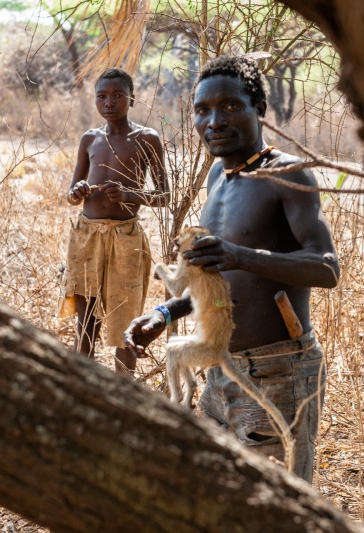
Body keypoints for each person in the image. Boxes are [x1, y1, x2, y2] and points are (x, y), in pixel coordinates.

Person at [124, 56, 339, 482]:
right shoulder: (218, 179)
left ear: (258, 109)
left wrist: (242, 256)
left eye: (230, 106)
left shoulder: (287, 174)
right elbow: (216, 281)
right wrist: (164, 314)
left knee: (275, 511)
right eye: (202, 111)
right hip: (219, 368)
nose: (214, 121)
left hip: (277, 370)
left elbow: (327, 268)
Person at [58, 68, 169, 376]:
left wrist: (129, 194)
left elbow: (164, 195)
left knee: (126, 319)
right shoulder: (90, 139)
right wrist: (77, 192)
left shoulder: (147, 138)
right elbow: (70, 193)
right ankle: (84, 385)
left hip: (126, 237)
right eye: (102, 96)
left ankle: (124, 391)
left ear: (131, 99)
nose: (109, 102)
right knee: (86, 318)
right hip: (86, 237)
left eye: (118, 96)